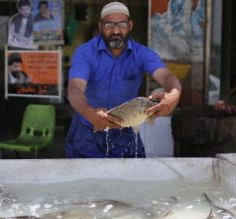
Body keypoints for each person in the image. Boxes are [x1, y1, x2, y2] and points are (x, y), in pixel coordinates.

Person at [66, 1, 182, 158]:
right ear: (100, 26)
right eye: (109, 25)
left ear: (130, 25)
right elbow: (74, 90)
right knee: (83, 181)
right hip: (87, 131)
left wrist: (173, 95)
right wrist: (88, 112)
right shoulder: (86, 53)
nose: (115, 30)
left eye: (121, 24)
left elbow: (167, 77)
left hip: (125, 130)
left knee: (134, 180)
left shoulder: (142, 54)